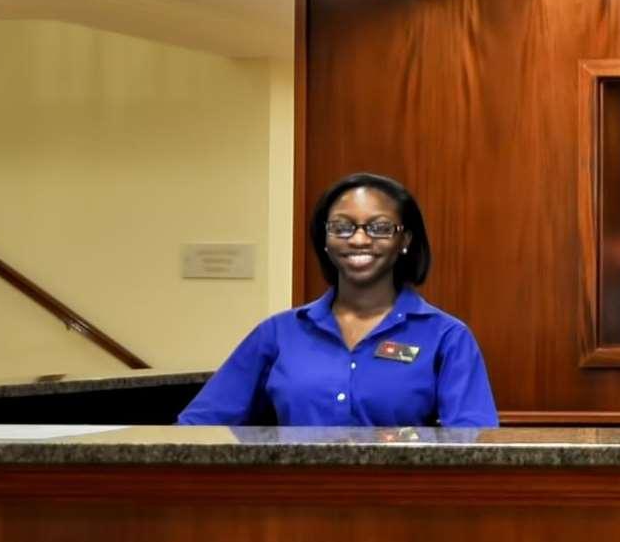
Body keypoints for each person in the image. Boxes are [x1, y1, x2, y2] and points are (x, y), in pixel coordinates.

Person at [182, 172, 500, 427]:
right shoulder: (279, 333)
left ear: (404, 240)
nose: (359, 239)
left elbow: (472, 444)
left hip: (400, 490)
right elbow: (198, 427)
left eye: (379, 228)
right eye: (342, 227)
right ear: (325, 238)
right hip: (294, 489)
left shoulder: (446, 337)